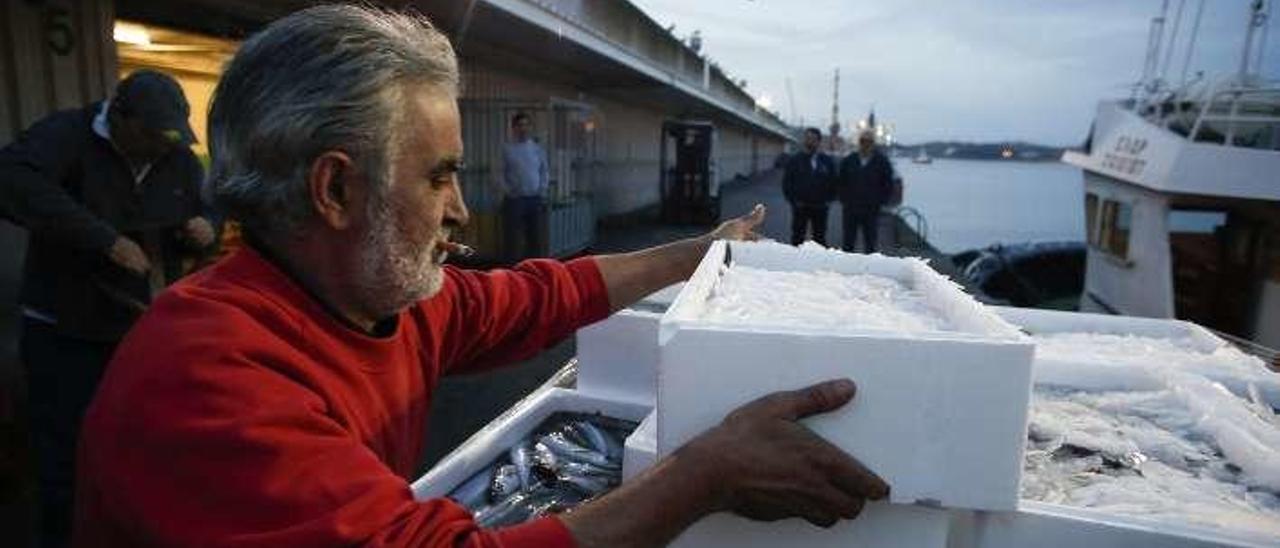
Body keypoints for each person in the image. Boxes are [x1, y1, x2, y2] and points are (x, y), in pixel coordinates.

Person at [74, 6, 888, 547]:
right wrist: (708, 474)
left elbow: (542, 295)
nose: (462, 210)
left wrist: (699, 249)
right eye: (439, 177)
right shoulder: (207, 379)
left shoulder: (373, 297)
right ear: (335, 190)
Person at [0, 69, 214, 547]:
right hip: (65, 332)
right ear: (120, 118)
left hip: (140, 332)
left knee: (145, 449)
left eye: (171, 138)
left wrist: (205, 226)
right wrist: (104, 241)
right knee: (70, 457)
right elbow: (10, 180)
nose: (165, 148)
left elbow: (203, 206)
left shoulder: (174, 156)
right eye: (153, 136)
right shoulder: (66, 136)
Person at [837, 130, 896, 253]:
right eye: (863, 141)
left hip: (871, 209)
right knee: (848, 241)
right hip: (851, 208)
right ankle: (846, 267)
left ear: (873, 143)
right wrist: (844, 199)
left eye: (869, 142)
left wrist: (882, 202)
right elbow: (840, 181)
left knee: (870, 241)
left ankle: (868, 268)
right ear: (859, 143)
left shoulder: (882, 162)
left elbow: (888, 184)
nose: (866, 144)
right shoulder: (849, 160)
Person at [502, 111, 548, 261]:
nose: (524, 128)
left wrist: (542, 190)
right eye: (520, 125)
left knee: (535, 238)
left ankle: (535, 271)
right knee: (512, 239)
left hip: (534, 199)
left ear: (530, 128)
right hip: (514, 200)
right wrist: (508, 191)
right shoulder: (506, 149)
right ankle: (512, 272)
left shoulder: (537, 149)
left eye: (526, 125)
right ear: (513, 128)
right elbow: (496, 173)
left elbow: (544, 170)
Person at [782, 127, 836, 246]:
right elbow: (787, 182)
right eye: (807, 138)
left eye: (813, 139)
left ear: (819, 141)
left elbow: (834, 182)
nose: (809, 142)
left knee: (820, 237)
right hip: (800, 206)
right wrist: (793, 201)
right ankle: (796, 261)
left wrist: (829, 200)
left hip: (821, 207)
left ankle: (818, 262)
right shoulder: (795, 160)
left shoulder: (827, 161)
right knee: (797, 236)